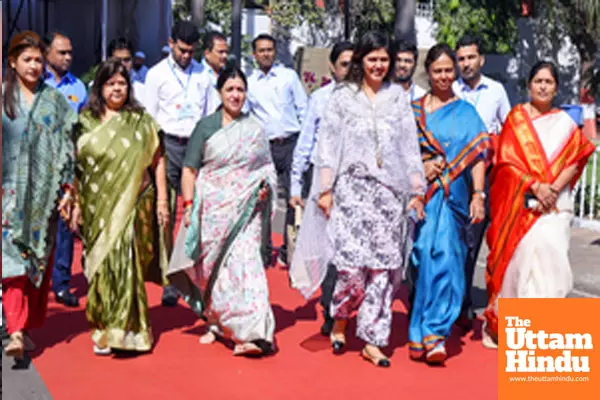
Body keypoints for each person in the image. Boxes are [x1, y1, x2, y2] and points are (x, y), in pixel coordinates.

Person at [290, 31, 426, 368]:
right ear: (361, 61)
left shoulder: (397, 98)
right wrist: (325, 190)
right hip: (351, 193)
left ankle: (373, 339)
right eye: (372, 59)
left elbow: (409, 147)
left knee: (382, 271)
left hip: (388, 196)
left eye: (384, 59)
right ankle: (340, 317)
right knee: (350, 269)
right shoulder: (342, 98)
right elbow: (328, 146)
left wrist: (417, 189)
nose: (378, 65)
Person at [483, 61, 595, 349]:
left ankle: (541, 333)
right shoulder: (515, 119)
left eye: (549, 82)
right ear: (529, 85)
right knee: (519, 266)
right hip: (521, 205)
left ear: (556, 88)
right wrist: (535, 185)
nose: (543, 86)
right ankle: (513, 329)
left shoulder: (565, 123)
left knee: (552, 261)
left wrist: (553, 189)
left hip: (555, 206)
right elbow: (505, 162)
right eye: (538, 81)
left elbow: (576, 159)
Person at [168, 66, 276, 357]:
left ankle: (255, 332)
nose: (235, 95)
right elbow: (189, 170)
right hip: (213, 210)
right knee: (212, 271)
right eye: (230, 89)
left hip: (246, 212)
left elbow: (266, 169)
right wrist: (189, 207)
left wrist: (265, 189)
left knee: (246, 264)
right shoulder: (206, 126)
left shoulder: (254, 128)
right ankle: (217, 321)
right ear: (219, 93)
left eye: (240, 89)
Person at [71, 59, 170, 355]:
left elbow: (158, 159)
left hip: (132, 206)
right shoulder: (84, 122)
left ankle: (130, 332)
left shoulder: (141, 122)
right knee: (100, 269)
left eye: (122, 83)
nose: (117, 88)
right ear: (100, 87)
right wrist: (75, 203)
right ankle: (102, 329)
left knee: (126, 266)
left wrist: (163, 200)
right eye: (111, 83)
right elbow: (77, 168)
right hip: (96, 208)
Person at [408, 43, 491, 364]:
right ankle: (423, 331)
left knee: (449, 258)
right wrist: (422, 168)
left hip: (454, 196)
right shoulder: (414, 111)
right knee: (423, 258)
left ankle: (435, 333)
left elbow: (477, 158)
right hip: (422, 196)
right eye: (437, 70)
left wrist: (478, 195)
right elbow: (400, 153)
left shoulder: (466, 111)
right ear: (428, 73)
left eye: (448, 69)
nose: (444, 76)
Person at [2, 31, 76, 360]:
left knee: (37, 264)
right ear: (12, 62)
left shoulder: (55, 102)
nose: (33, 66)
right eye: (26, 60)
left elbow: (68, 149)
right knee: (11, 263)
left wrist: (68, 189)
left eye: (37, 60)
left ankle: (26, 325)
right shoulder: (3, 98)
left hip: (44, 197)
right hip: (9, 194)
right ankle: (15, 330)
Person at [145, 20, 213, 306]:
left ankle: (196, 274)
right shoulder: (156, 74)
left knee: (196, 210)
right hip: (167, 143)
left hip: (195, 145)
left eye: (191, 51)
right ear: (171, 43)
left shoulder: (203, 75)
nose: (186, 56)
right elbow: (148, 118)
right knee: (166, 213)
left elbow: (210, 114)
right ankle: (167, 278)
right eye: (182, 50)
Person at [289, 40, 353, 336]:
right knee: (327, 247)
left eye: (354, 64)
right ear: (332, 66)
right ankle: (330, 308)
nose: (349, 69)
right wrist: (295, 186)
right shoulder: (320, 99)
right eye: (344, 64)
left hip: (354, 182)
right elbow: (305, 145)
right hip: (323, 180)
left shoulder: (366, 100)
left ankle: (348, 308)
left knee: (350, 249)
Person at [452, 34, 512, 330]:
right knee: (455, 239)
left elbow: (509, 130)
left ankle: (469, 302)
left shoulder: (496, 91)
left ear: (481, 59)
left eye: (470, 57)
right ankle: (455, 301)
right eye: (461, 58)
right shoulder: (450, 90)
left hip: (485, 176)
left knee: (476, 239)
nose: (466, 63)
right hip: (454, 176)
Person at [246, 33, 308, 267]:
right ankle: (263, 249)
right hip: (265, 147)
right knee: (263, 198)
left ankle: (287, 250)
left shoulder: (288, 77)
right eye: (261, 50)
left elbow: (303, 108)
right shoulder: (249, 82)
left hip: (290, 143)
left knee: (293, 196)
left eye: (269, 49)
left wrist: (303, 143)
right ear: (254, 54)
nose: (266, 54)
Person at [42, 31, 88, 308]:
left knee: (65, 226)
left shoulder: (78, 88)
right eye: (62, 52)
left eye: (70, 52)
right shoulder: (34, 83)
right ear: (47, 53)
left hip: (66, 166)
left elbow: (82, 130)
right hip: (36, 166)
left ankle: (61, 282)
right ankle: (32, 280)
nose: (68, 57)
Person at [108, 37, 147, 107]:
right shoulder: (99, 88)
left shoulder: (142, 92)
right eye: (117, 60)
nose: (122, 64)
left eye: (126, 60)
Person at [200, 31, 228, 112]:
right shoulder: (197, 74)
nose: (225, 56)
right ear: (207, 53)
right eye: (221, 52)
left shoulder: (227, 75)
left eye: (226, 52)